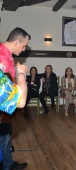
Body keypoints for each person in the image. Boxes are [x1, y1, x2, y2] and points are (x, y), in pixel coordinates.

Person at [0, 27, 30, 170]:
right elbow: (19, 101)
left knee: (6, 138)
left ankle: (8, 164)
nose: (24, 50)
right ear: (17, 42)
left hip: (5, 112)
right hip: (5, 107)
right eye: (24, 46)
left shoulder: (8, 55)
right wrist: (22, 74)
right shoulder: (1, 58)